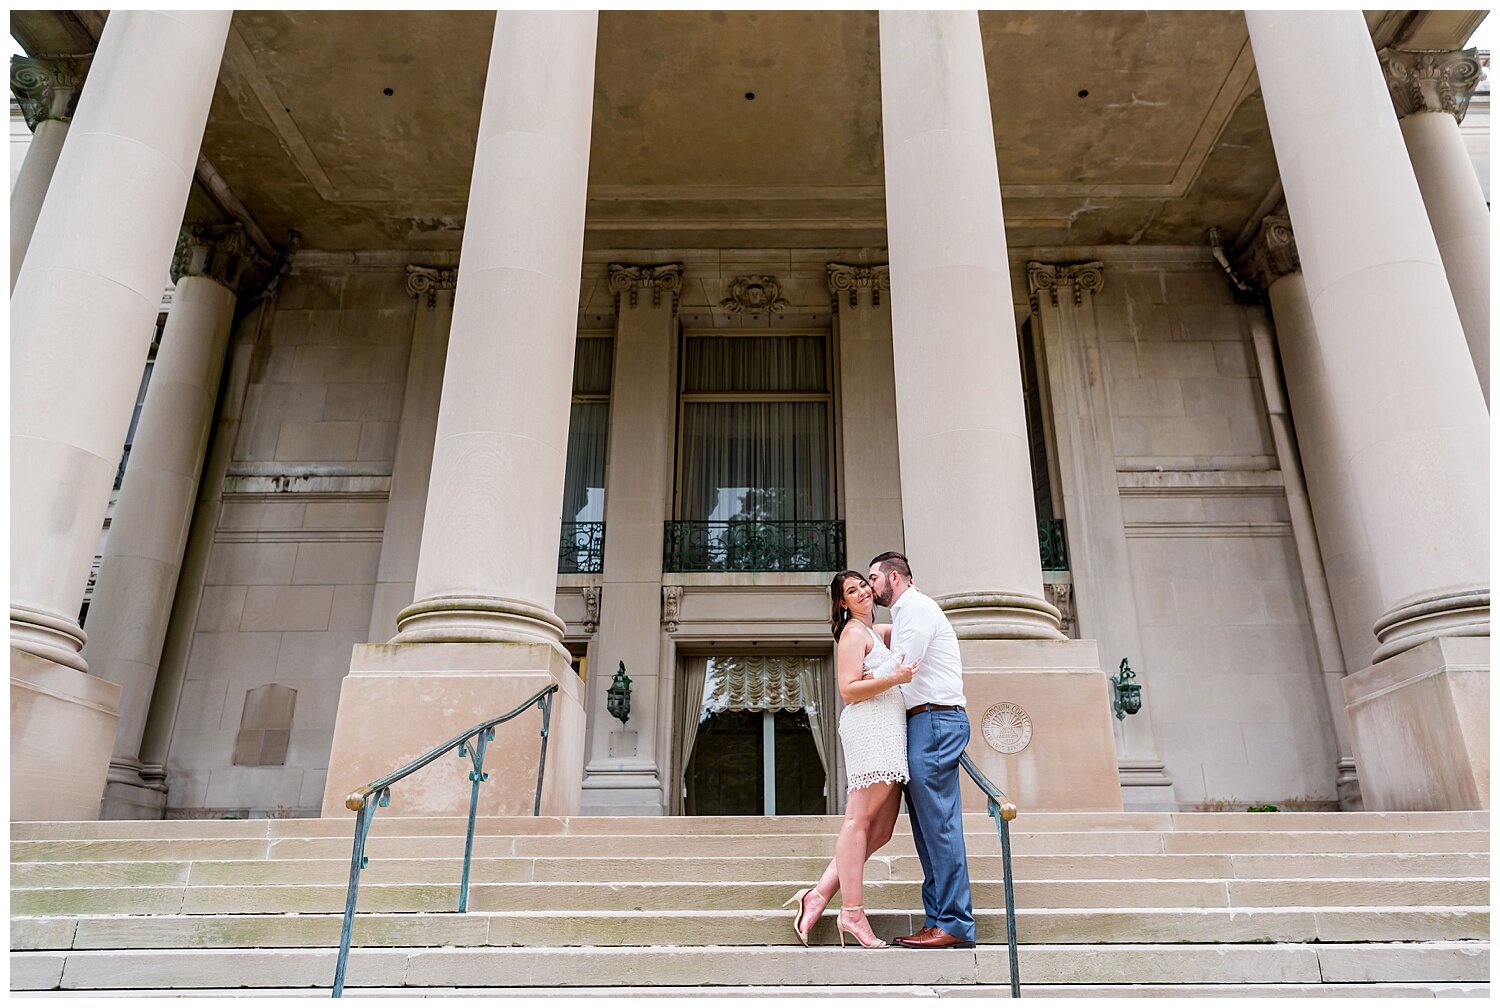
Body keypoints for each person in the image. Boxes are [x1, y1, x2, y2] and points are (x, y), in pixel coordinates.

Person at [783, 570, 919, 949]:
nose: (861, 592)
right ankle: (852, 912)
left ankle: (818, 894)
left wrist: (909, 592)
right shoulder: (852, 633)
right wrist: (895, 679)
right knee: (858, 820)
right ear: (842, 602)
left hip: (890, 729)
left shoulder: (875, 631)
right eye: (851, 591)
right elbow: (847, 689)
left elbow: (909, 623)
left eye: (863, 585)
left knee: (882, 830)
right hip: (870, 727)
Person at [867, 550, 976, 949]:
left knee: (941, 828)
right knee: (928, 831)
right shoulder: (907, 614)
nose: (871, 586)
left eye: (874, 578)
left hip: (935, 721)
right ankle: (938, 920)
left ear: (895, 578)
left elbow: (900, 667)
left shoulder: (915, 609)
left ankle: (955, 923)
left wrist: (857, 679)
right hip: (922, 722)